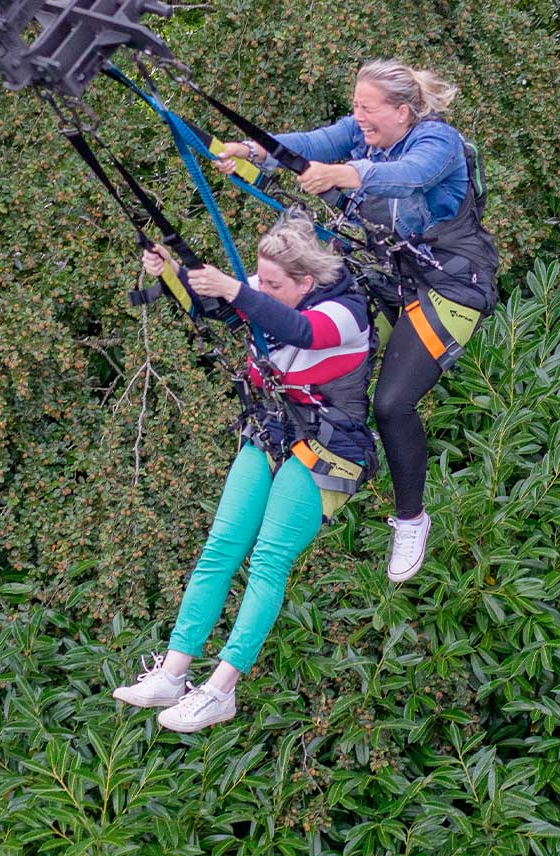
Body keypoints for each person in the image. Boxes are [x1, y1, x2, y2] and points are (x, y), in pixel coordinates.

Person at [215, 58, 499, 584]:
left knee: (392, 403)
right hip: (391, 280)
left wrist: (344, 174)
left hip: (453, 286)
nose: (357, 117)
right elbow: (314, 143)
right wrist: (252, 152)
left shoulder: (438, 145)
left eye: (367, 109)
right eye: (355, 107)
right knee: (330, 340)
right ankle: (311, 450)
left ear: (402, 112)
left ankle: (411, 519)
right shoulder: (359, 132)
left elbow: (404, 177)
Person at [113, 213, 376, 733]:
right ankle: (174, 671)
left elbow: (299, 329)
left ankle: (221, 689)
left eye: (274, 284)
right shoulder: (267, 290)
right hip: (274, 430)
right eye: (261, 280)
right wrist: (169, 272)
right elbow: (210, 303)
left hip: (330, 447)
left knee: (268, 560)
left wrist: (235, 288)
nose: (263, 289)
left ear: (306, 282)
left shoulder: (345, 313)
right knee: (222, 546)